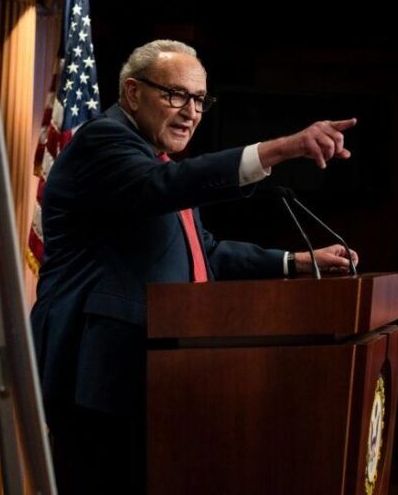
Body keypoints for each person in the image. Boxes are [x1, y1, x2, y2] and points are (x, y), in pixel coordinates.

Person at [29, 40, 358, 494]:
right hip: (97, 374)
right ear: (132, 92)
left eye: (200, 100)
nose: (191, 113)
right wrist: (280, 149)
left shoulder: (156, 162)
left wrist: (295, 262)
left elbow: (203, 252)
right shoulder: (103, 142)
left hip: (150, 373)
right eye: (175, 95)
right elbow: (166, 185)